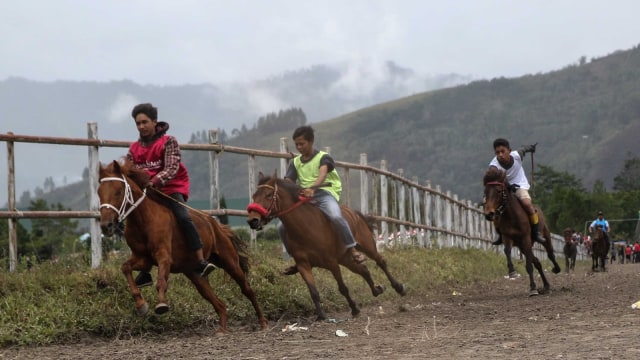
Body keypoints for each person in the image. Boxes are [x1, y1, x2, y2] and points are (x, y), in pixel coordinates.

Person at [126, 103, 215, 288]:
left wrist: (155, 181)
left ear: (154, 122)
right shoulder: (134, 148)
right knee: (134, 222)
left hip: (171, 189)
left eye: (144, 122)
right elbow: (130, 170)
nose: (141, 126)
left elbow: (172, 167)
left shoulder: (169, 141)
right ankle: (144, 270)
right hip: (147, 193)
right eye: (138, 123)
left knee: (183, 216)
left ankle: (200, 260)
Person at [279, 125, 365, 274]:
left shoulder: (323, 158)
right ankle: (296, 258)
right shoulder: (295, 162)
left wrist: (313, 188)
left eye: (302, 144)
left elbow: (322, 175)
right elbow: (288, 181)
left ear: (311, 142)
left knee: (336, 216)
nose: (299, 147)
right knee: (280, 227)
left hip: (324, 193)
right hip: (305, 197)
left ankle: (351, 248)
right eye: (296, 144)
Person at [488, 138, 545, 246]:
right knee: (495, 210)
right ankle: (500, 234)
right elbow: (496, 180)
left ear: (509, 150)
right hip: (504, 187)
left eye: (502, 151)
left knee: (527, 204)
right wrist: (508, 186)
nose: (500, 155)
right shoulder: (493, 166)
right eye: (497, 152)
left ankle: (536, 232)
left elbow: (524, 148)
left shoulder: (517, 155)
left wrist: (531, 148)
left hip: (520, 185)